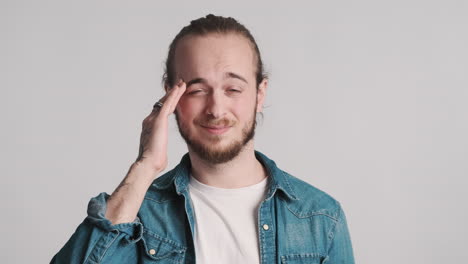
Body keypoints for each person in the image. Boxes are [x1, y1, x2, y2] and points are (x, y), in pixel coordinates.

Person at [51, 14, 355, 264]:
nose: (216, 109)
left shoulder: (321, 219)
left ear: (260, 94)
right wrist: (145, 166)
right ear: (170, 94)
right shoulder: (136, 214)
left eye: (233, 89)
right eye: (197, 90)